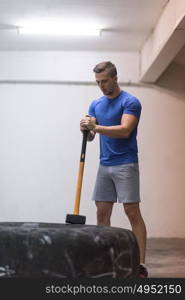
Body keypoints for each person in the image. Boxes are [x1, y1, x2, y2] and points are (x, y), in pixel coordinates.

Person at [80, 61, 148, 278]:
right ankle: (105, 261)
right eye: (98, 82)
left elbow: (125, 130)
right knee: (102, 212)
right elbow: (91, 136)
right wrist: (86, 129)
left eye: (104, 81)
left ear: (115, 78)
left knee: (132, 212)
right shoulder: (96, 104)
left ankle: (140, 264)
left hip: (126, 164)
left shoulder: (130, 102)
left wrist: (96, 128)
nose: (101, 85)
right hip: (105, 165)